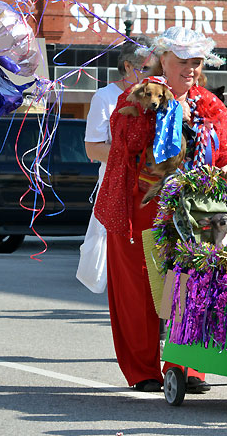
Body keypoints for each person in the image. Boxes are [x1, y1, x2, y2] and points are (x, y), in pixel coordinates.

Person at [94, 27, 227, 392]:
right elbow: (125, 146)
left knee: (194, 283)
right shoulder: (139, 97)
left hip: (195, 210)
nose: (191, 68)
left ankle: (188, 367)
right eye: (183, 61)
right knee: (138, 288)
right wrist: (154, 109)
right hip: (140, 205)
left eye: (196, 62)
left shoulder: (210, 104)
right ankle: (142, 370)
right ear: (164, 59)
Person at [76, 36, 156, 293]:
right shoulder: (106, 97)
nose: (150, 75)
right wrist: (135, 159)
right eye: (145, 69)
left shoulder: (158, 96)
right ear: (128, 66)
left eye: (155, 69)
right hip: (119, 187)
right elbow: (92, 147)